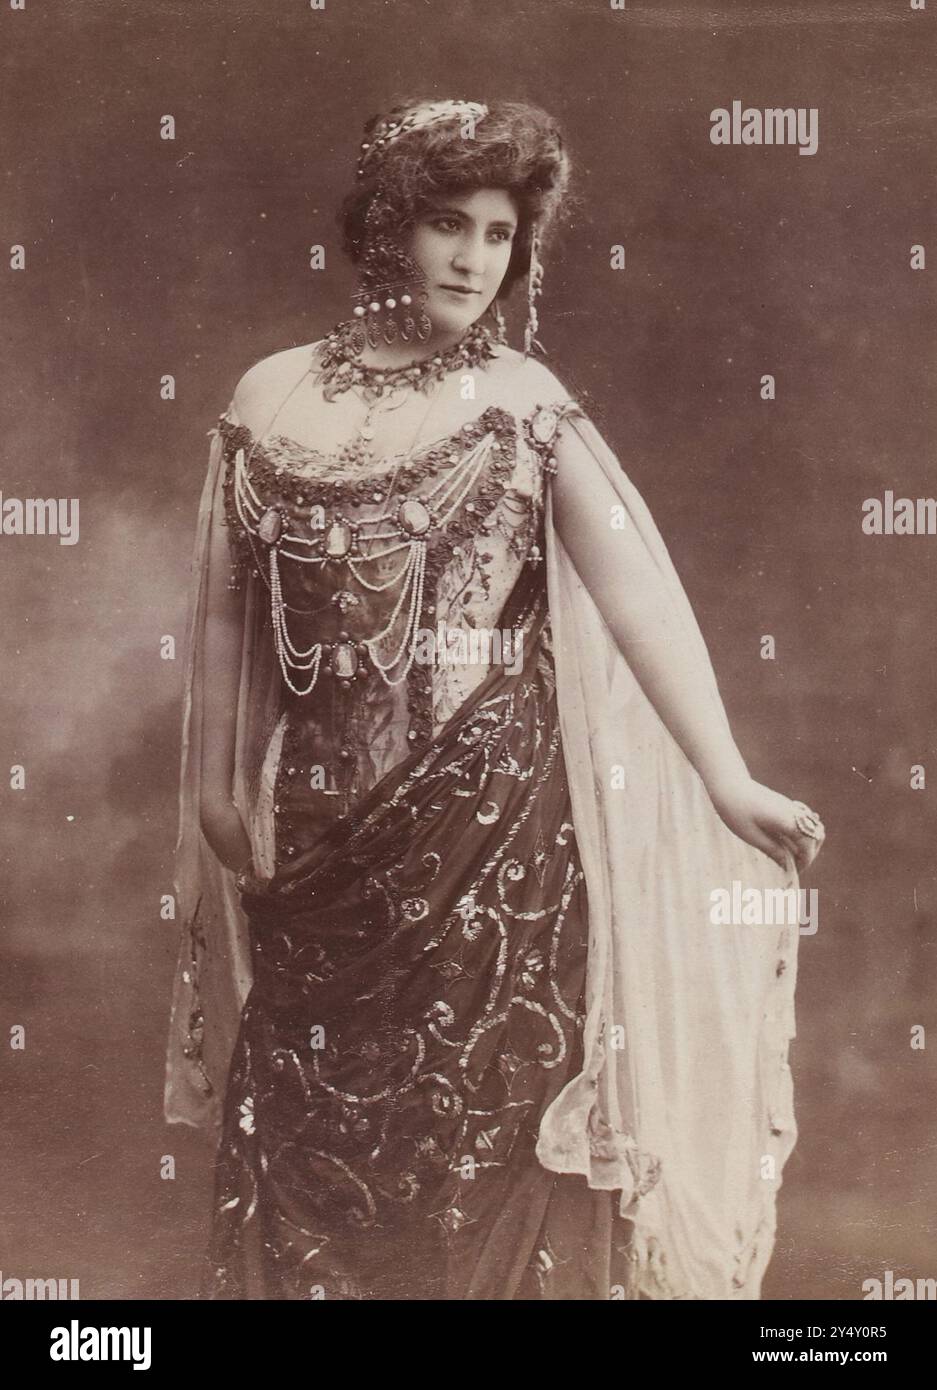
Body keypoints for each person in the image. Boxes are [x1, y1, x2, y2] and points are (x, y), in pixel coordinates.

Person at [164, 97, 826, 1301]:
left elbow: (641, 602)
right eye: (444, 223)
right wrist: (215, 777)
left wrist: (726, 775)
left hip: (495, 841)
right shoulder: (264, 399)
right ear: (381, 227)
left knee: (479, 1139)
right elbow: (223, 605)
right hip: (317, 836)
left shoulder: (525, 404)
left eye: (500, 232)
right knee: (317, 1130)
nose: (475, 258)